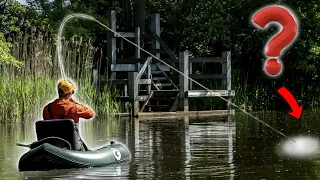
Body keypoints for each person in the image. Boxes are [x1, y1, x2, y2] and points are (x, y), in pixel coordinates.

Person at [42, 79, 95, 151]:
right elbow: (90, 114)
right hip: (73, 147)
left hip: (53, 147)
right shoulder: (74, 107)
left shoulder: (46, 109)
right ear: (69, 93)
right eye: (72, 92)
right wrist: (76, 103)